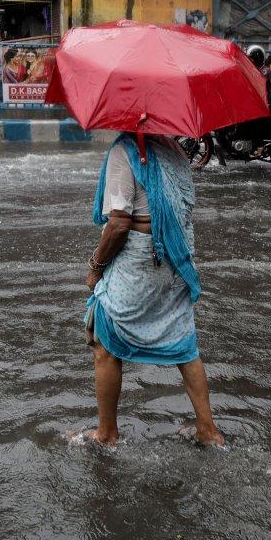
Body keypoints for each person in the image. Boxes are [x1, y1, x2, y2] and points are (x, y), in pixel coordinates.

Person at [81, 133, 225, 448]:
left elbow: (118, 224)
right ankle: (208, 431)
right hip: (176, 257)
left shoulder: (125, 150)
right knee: (185, 342)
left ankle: (106, 434)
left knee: (105, 340)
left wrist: (96, 266)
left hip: (139, 261)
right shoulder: (173, 150)